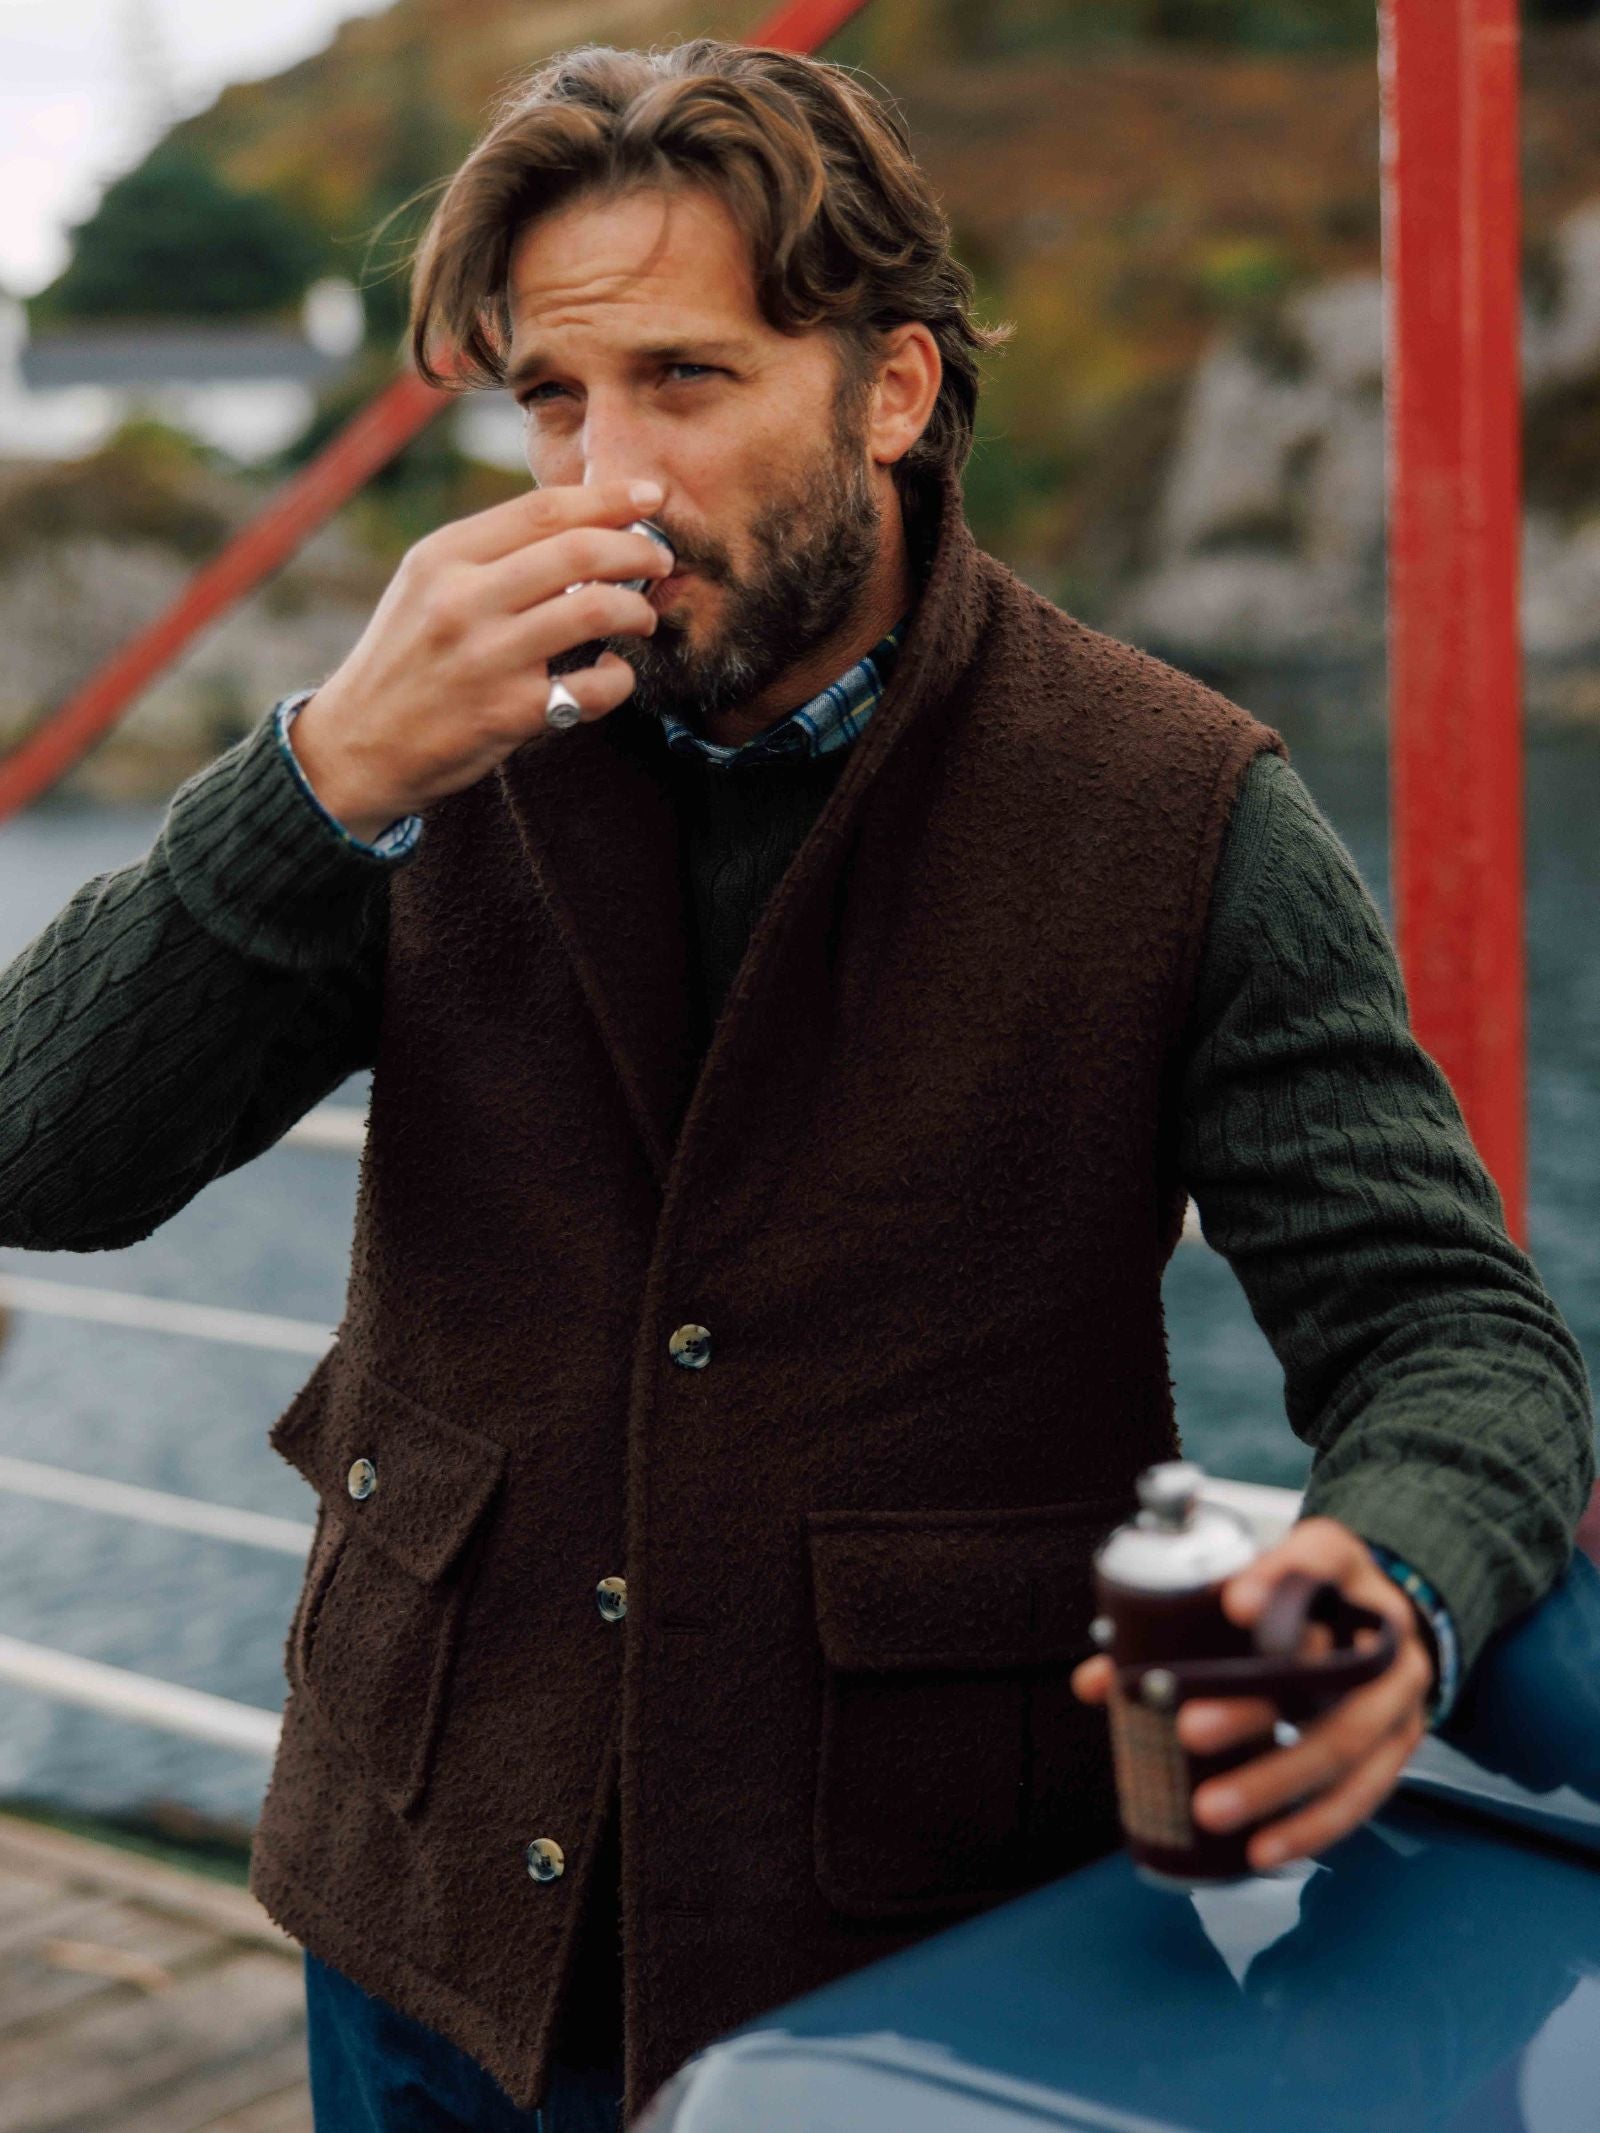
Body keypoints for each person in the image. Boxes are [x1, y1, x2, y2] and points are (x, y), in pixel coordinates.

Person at [0, 36, 1591, 2133]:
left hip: (912, 1976)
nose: (600, 479)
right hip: (418, 1920)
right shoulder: (418, 745)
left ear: (894, 389)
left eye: (683, 379)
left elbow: (1446, 1330)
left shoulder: (1175, 801)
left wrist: (1385, 1571)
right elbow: (44, 1149)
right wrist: (314, 780)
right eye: (550, 402)